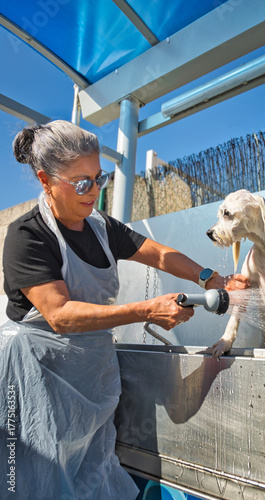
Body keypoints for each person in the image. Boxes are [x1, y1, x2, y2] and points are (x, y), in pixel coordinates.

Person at [0, 120, 249, 500]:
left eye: (99, 178)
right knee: (37, 477)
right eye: (82, 183)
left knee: (94, 469)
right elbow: (60, 315)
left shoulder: (99, 226)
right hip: (35, 374)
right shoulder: (27, 236)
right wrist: (147, 310)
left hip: (90, 371)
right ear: (45, 180)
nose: (94, 191)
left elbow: (160, 254)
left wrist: (212, 278)